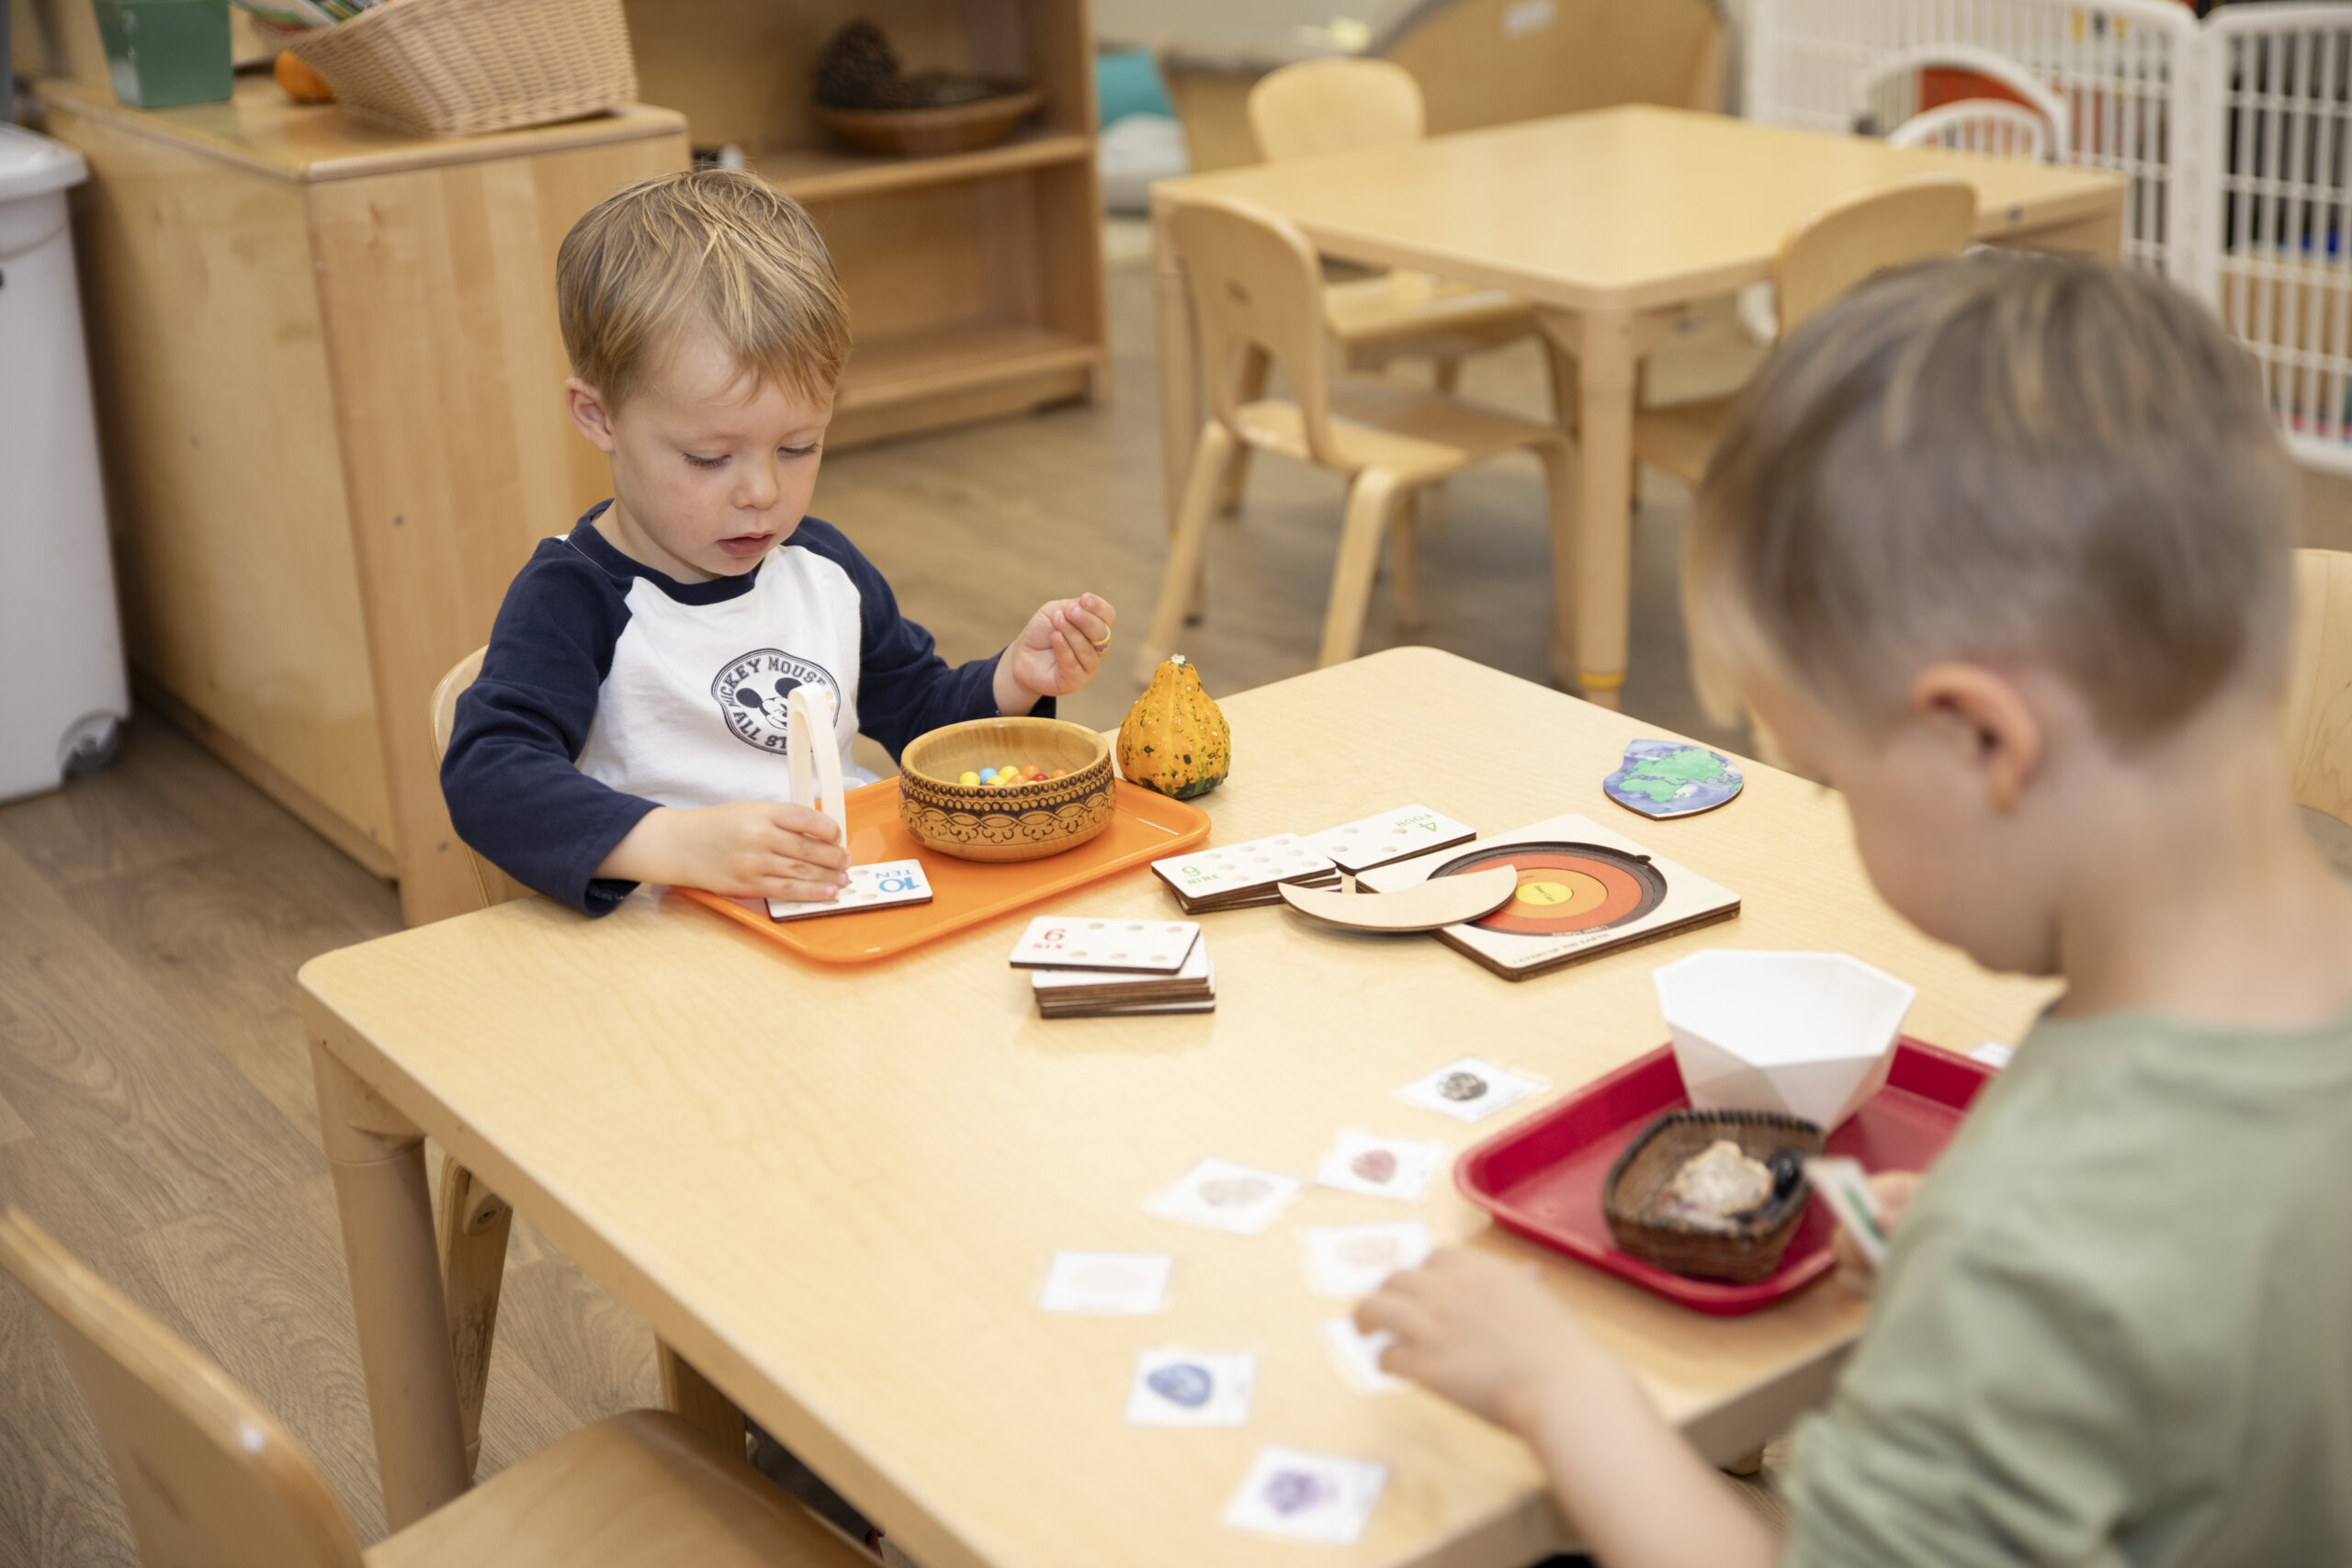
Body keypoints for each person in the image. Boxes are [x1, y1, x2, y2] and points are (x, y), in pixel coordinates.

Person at [1359, 254, 2352, 1565]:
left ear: (1981, 740)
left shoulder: (2033, 1242)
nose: (1835, 813)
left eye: (1831, 777)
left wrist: (1563, 1389)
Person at [442, 170, 1116, 916]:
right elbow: (488, 774)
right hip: (679, 953)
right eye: (708, 458)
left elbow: (920, 711)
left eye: (797, 448)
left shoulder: (822, 568)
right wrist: (676, 842)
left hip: (846, 911)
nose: (761, 492)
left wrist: (1015, 681)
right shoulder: (574, 597)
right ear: (599, 417)